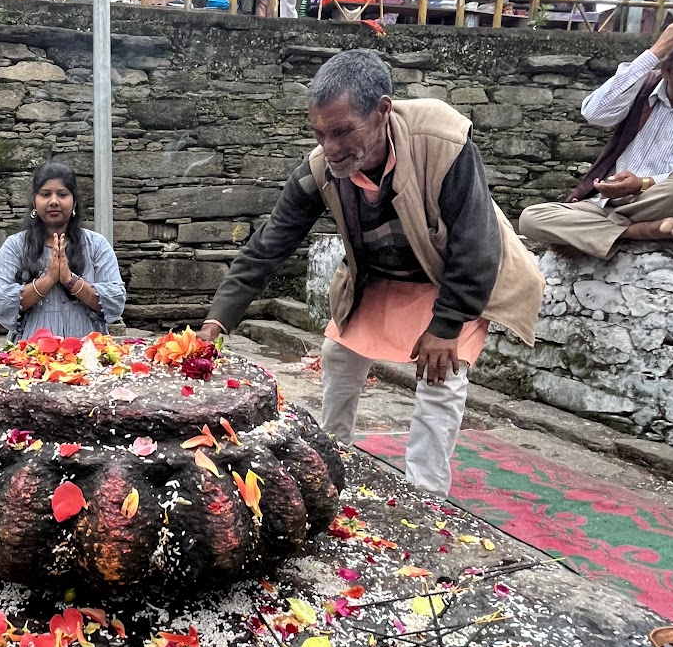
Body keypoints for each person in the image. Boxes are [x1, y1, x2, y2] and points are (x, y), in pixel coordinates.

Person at [198, 50, 544, 498]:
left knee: (442, 376)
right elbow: (268, 246)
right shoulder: (321, 168)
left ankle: (426, 496)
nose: (331, 147)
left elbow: (477, 244)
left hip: (453, 275)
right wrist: (216, 324)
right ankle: (328, 463)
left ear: (382, 111)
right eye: (319, 133)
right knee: (339, 356)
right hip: (381, 276)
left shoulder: (442, 139)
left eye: (342, 131)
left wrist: (446, 326)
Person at [518, 17, 673, 258]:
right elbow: (594, 113)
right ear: (667, 69)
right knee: (532, 218)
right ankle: (637, 231)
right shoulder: (643, 86)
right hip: (611, 204)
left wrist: (644, 183)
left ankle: (595, 233)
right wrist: (654, 53)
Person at [0, 162, 126, 341]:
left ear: (74, 202)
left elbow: (115, 302)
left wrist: (70, 280)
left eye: (62, 194)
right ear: (34, 202)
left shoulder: (96, 245)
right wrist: (48, 280)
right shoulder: (15, 246)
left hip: (88, 354)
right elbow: (0, 302)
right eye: (45, 194)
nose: (54, 201)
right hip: (31, 357)